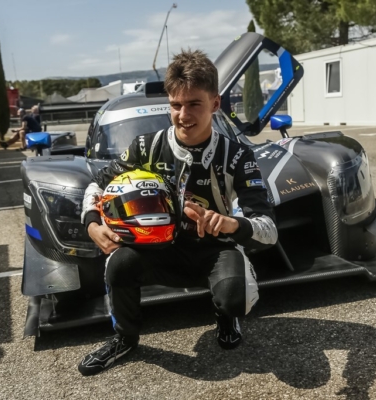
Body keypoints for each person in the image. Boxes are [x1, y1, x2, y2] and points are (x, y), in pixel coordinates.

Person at [78, 49, 278, 376]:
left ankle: (225, 315)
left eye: (194, 104)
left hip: (215, 249)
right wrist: (91, 224)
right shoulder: (146, 146)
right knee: (120, 262)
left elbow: (268, 229)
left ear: (215, 103)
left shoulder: (238, 155)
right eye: (176, 105)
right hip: (158, 248)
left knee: (236, 298)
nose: (183, 115)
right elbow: (96, 185)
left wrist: (231, 223)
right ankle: (125, 337)